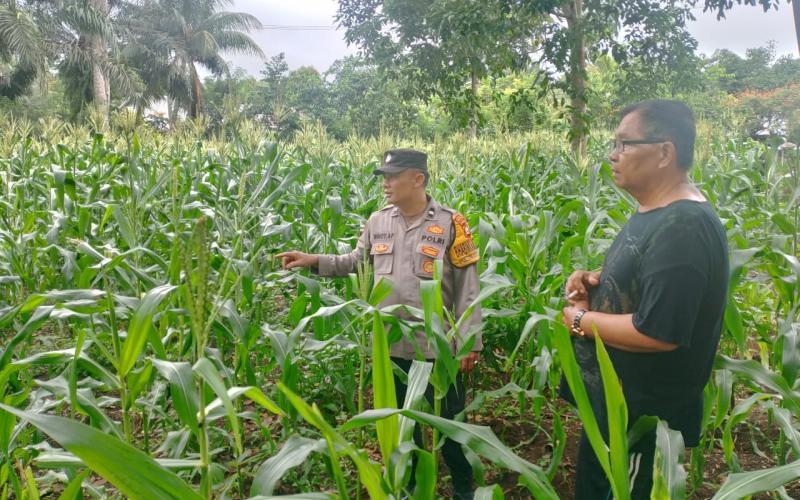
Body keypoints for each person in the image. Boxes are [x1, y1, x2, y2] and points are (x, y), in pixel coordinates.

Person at [277, 148, 482, 499]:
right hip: (391, 346)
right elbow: (355, 262)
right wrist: (313, 260)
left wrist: (469, 342)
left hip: (438, 349)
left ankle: (464, 489)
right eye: (384, 177)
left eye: (392, 176)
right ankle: (412, 488)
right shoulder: (378, 222)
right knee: (404, 427)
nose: (385, 184)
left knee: (451, 427)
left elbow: (468, 287)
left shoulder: (452, 223)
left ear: (417, 179)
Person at [561, 100, 729, 499]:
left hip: (641, 424)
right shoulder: (658, 212)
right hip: (616, 412)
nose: (613, 154)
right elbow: (654, 283)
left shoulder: (683, 226)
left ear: (665, 152)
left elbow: (658, 332)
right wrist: (598, 281)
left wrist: (579, 320)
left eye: (624, 143)